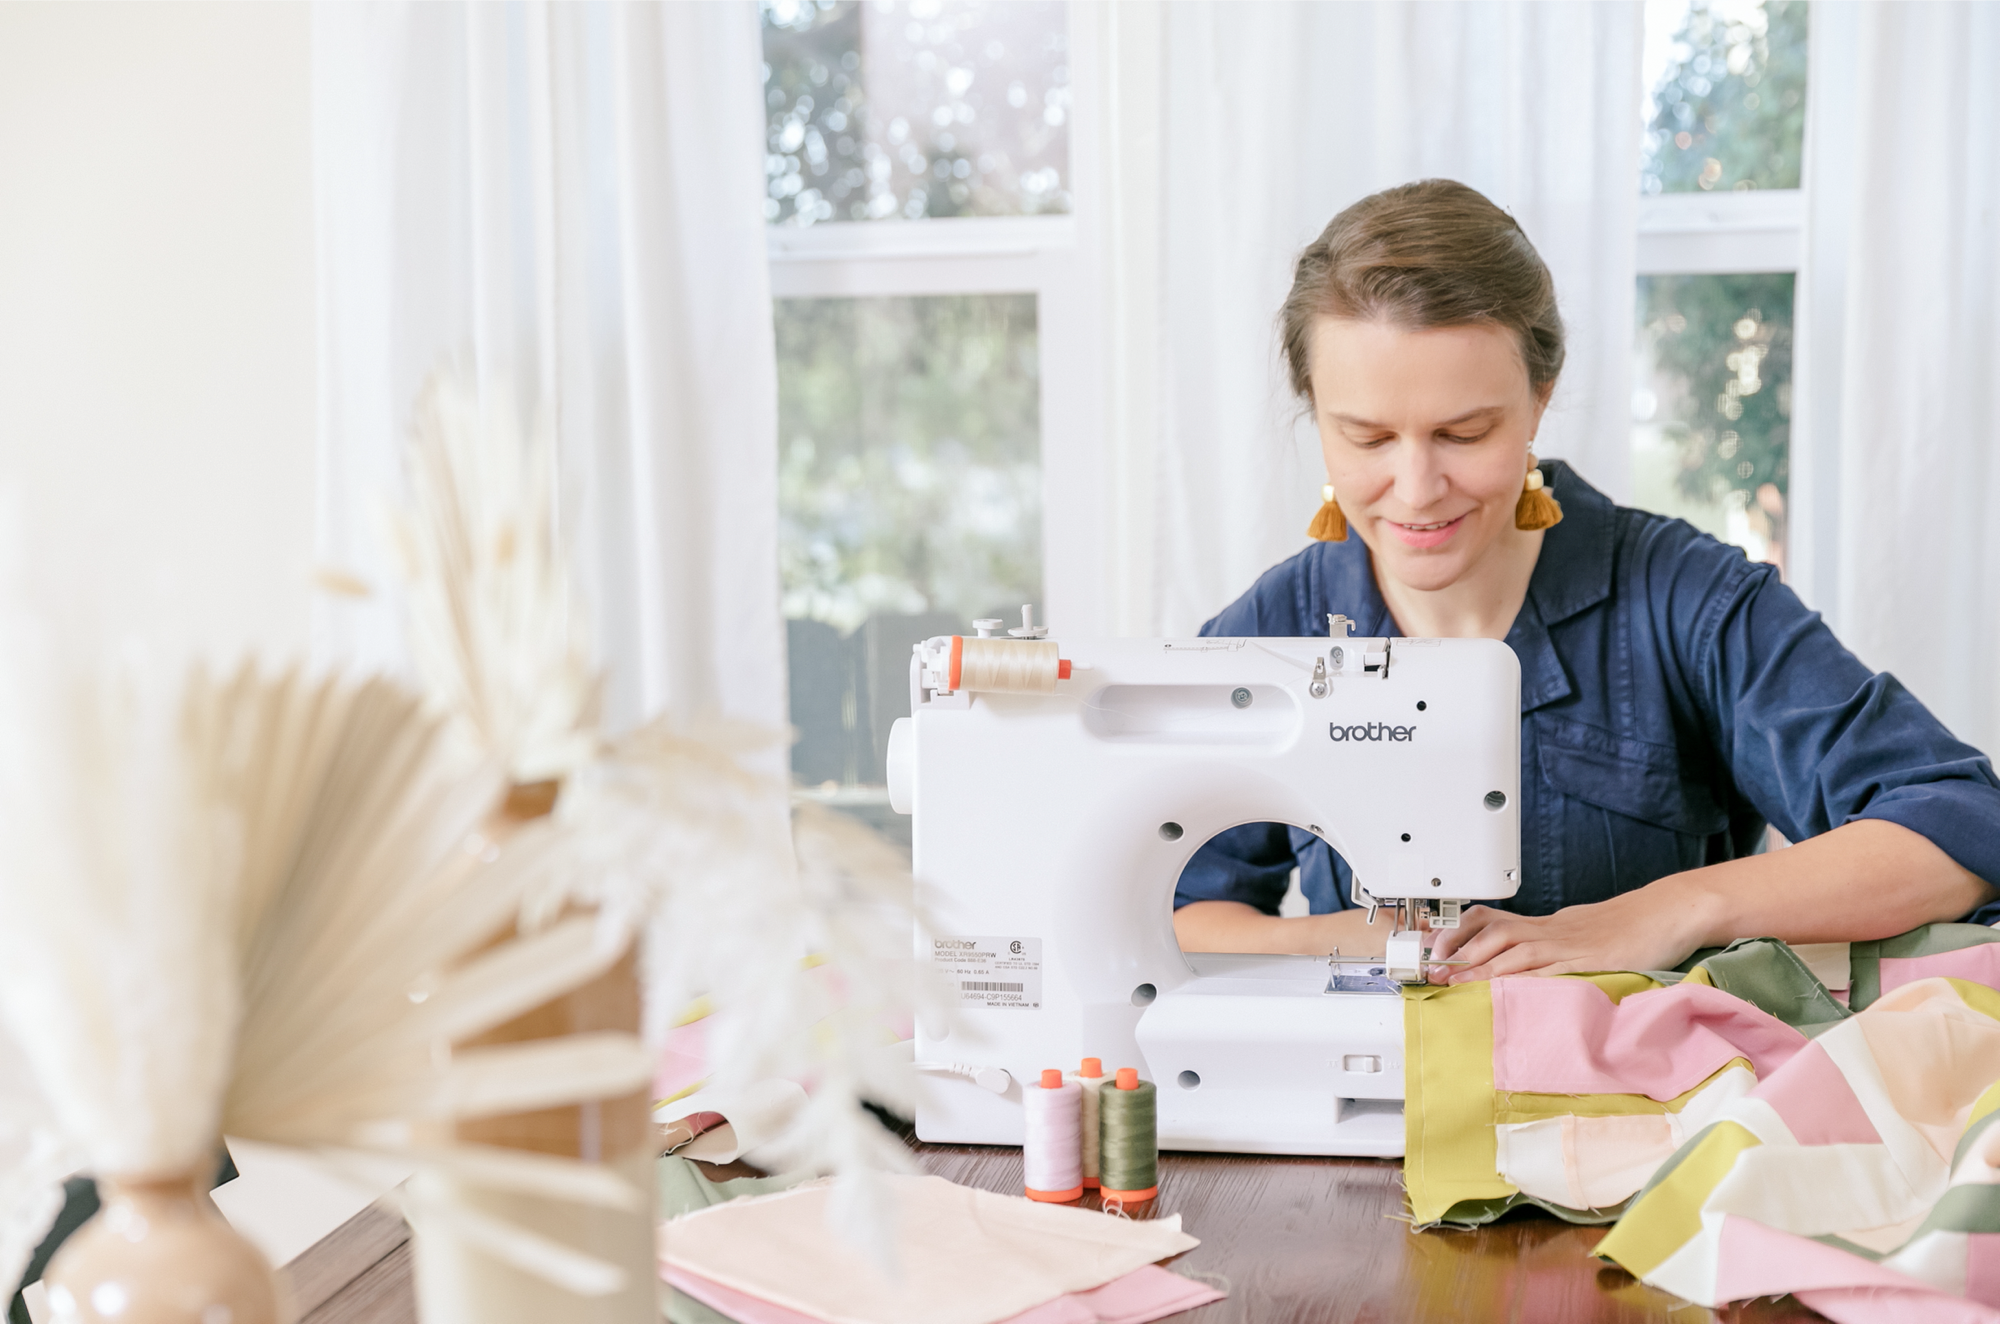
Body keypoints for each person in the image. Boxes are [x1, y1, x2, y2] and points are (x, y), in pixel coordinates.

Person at [1171, 179, 2000, 983]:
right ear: (1316, 410)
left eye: (1464, 432)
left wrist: (1673, 909)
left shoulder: (1687, 601)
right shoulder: (1266, 635)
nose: (1418, 487)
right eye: (1367, 437)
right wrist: (1350, 939)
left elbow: (1961, 824)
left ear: (1540, 398)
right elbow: (1167, 910)